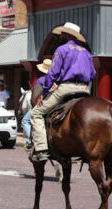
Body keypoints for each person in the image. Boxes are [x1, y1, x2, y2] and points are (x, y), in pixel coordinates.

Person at [30, 23, 95, 162]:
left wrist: (44, 92)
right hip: (85, 89)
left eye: (63, 34)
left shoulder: (62, 49)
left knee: (36, 113)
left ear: (67, 35)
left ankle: (41, 149)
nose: (61, 36)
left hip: (66, 88)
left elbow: (52, 74)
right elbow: (93, 74)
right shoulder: (86, 52)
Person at [23, 59, 52, 149]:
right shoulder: (56, 79)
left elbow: (34, 96)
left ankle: (29, 142)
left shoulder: (40, 80)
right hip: (54, 103)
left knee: (25, 121)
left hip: (42, 105)